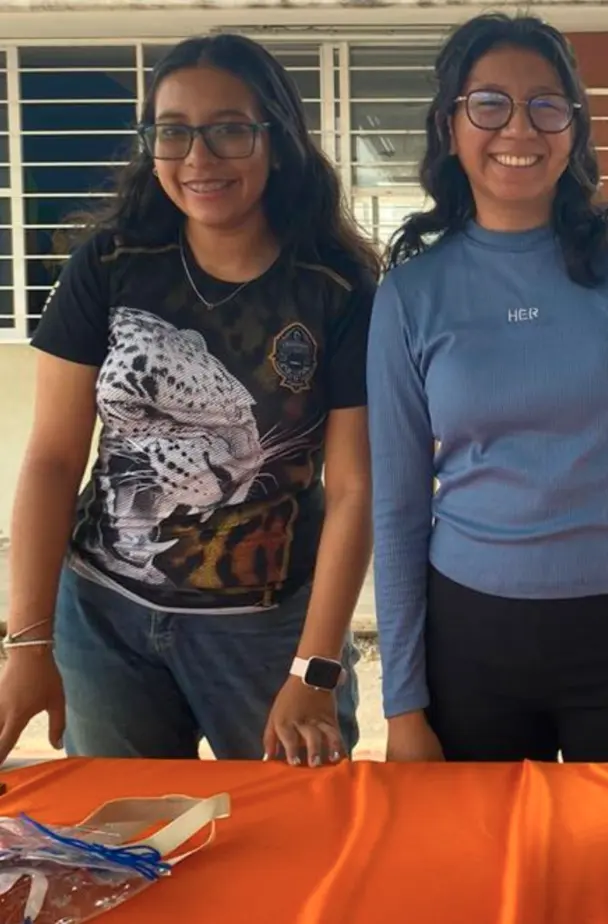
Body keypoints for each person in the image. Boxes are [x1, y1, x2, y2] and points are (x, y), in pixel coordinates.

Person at [0, 33, 380, 769]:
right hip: (104, 619)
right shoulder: (110, 264)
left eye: (228, 129)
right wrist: (29, 640)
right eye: (173, 131)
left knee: (295, 852)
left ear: (275, 138)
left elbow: (357, 488)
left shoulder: (335, 288)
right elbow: (51, 459)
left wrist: (316, 668)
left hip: (269, 629)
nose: (198, 158)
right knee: (125, 852)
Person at [367, 12, 608, 764]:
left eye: (547, 104)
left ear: (574, 129)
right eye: (488, 104)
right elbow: (397, 508)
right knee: (479, 869)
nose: (519, 128)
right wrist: (402, 705)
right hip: (471, 641)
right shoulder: (412, 295)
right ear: (450, 126)